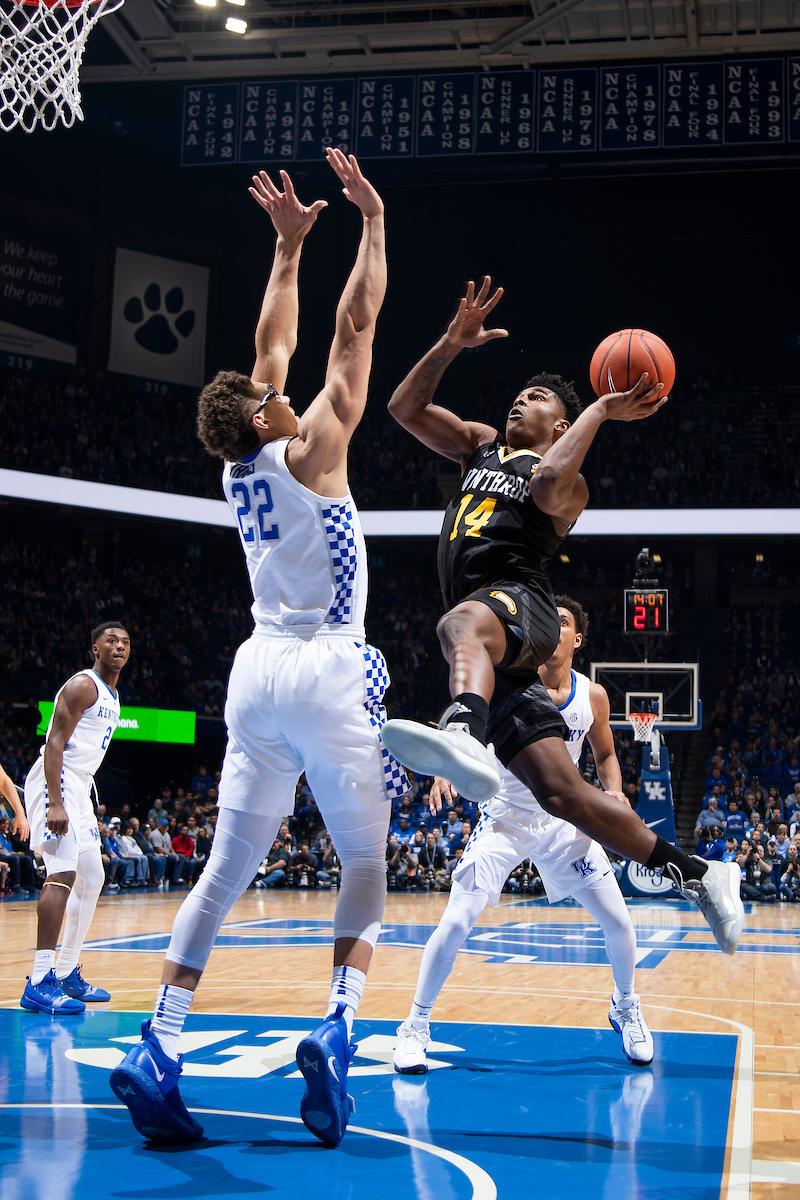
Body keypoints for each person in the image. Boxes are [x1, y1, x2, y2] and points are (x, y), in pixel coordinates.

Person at [112, 151, 400, 1150]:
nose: (280, 389)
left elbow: (268, 347)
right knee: (364, 858)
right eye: (271, 394)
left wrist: (286, 250)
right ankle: (338, 1027)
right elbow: (352, 330)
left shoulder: (240, 463)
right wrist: (371, 223)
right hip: (327, 661)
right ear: (268, 416)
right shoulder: (314, 448)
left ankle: (161, 1040)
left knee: (225, 869)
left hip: (256, 671)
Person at [380, 280, 743, 955]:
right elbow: (404, 407)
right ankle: (699, 874)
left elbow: (546, 485)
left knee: (457, 625)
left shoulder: (571, 483)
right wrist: (450, 344)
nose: (521, 399)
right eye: (520, 393)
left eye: (539, 397)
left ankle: (462, 728)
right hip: (498, 643)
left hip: (523, 602)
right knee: (562, 794)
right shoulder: (479, 445)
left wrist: (600, 409)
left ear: (560, 425)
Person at [394, 598, 654, 1072]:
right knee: (455, 922)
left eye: (564, 621)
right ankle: (415, 1025)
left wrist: (614, 790)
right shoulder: (509, 681)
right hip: (505, 817)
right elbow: (464, 724)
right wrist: (444, 768)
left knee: (619, 922)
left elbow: (606, 756)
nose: (554, 626)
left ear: (577, 639)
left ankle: (625, 1006)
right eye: (548, 619)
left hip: (563, 822)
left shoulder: (593, 696)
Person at [19, 622, 130, 1015]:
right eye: (111, 641)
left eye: (125, 642)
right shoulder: (83, 685)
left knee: (93, 878)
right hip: (58, 778)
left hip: (80, 786)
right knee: (62, 872)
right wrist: (55, 802)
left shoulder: (114, 695)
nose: (119, 646)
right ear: (95, 648)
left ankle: (66, 972)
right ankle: (39, 980)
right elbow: (54, 743)